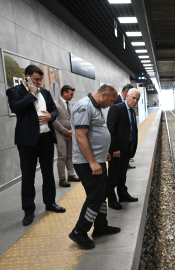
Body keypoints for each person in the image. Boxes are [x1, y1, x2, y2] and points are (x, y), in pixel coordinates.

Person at [6, 65, 65, 227]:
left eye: (40, 79)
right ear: (27, 77)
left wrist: (50, 116)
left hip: (46, 138)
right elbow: (16, 108)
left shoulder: (45, 92)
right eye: (36, 79)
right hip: (27, 142)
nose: (39, 82)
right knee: (28, 176)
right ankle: (29, 210)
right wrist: (31, 94)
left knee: (48, 173)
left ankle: (50, 203)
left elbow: (54, 110)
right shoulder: (14, 92)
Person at [69, 84, 120, 250]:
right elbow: (80, 136)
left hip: (97, 160)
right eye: (111, 100)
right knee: (95, 196)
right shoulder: (84, 106)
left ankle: (101, 226)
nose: (111, 105)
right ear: (104, 95)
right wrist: (92, 161)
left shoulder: (96, 106)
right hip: (86, 163)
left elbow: (94, 133)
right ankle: (79, 231)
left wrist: (102, 153)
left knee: (102, 192)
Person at [107, 88, 140, 210]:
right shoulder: (117, 108)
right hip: (117, 150)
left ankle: (123, 194)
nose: (135, 101)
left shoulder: (131, 111)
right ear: (127, 96)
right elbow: (111, 130)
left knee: (122, 173)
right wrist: (114, 148)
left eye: (137, 99)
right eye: (133, 98)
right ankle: (111, 199)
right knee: (113, 174)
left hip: (127, 148)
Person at [53, 85, 79, 188]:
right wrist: (65, 131)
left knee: (70, 155)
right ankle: (62, 178)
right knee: (62, 156)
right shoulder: (55, 104)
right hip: (60, 134)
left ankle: (71, 175)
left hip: (71, 134)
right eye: (71, 94)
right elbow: (54, 120)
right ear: (64, 93)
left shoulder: (72, 104)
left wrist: (73, 131)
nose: (72, 96)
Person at [113, 83, 136, 169]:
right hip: (120, 137)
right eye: (133, 97)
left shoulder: (131, 107)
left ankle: (127, 162)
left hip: (128, 136)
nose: (134, 101)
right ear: (127, 93)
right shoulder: (116, 101)